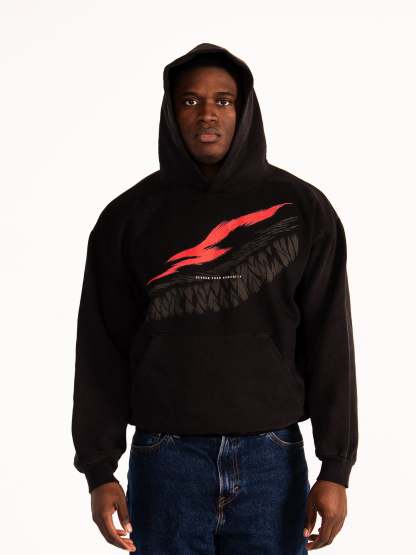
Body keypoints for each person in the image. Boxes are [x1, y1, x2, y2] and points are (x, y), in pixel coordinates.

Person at [72, 43, 358, 553]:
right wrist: (99, 469)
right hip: (166, 459)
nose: (208, 113)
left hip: (272, 458)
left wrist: (336, 467)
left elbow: (330, 340)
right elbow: (100, 349)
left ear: (244, 111)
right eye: (191, 101)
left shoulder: (302, 209)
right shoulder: (128, 217)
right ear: (171, 111)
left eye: (224, 100)